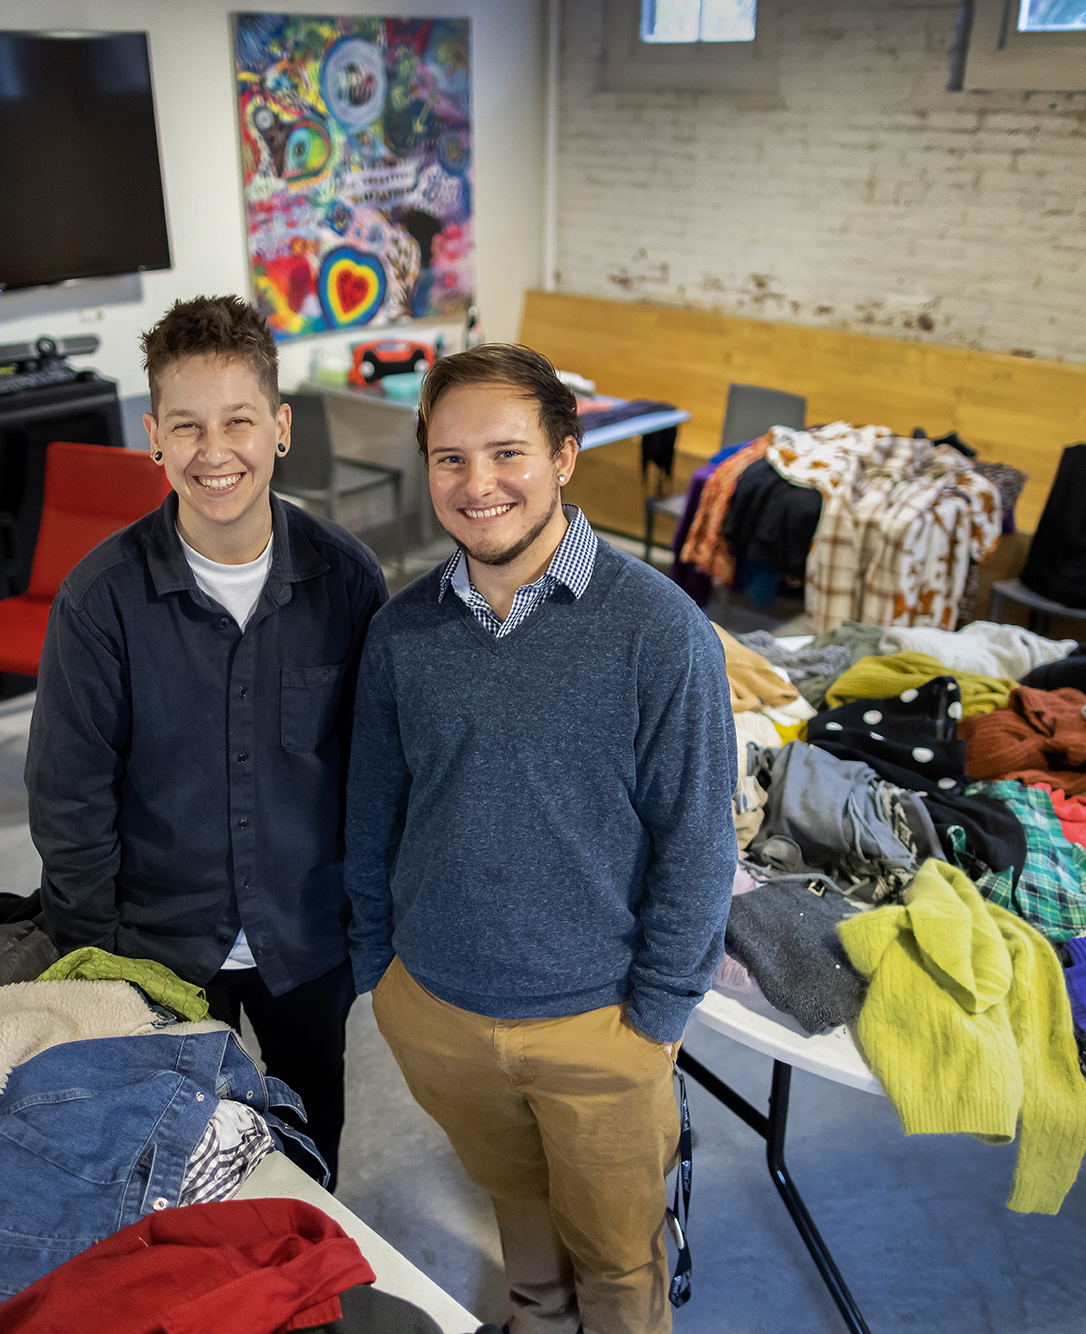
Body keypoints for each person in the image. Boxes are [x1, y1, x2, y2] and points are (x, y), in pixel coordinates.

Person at [345, 343, 735, 1334]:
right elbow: (371, 810)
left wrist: (654, 1016)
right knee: (521, 1225)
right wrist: (377, 971)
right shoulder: (402, 635)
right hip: (437, 1007)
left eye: (507, 452)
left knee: (617, 1265)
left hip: (599, 1023)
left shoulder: (659, 632)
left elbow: (697, 839)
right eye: (449, 458)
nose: (478, 485)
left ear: (564, 454)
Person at [26, 295, 388, 1183]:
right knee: (175, 1155)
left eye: (239, 421)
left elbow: (378, 774)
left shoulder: (348, 582)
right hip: (158, 945)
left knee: (310, 1126)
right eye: (187, 426)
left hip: (309, 939)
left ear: (282, 427)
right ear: (153, 435)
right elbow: (69, 796)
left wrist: (366, 925)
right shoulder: (99, 599)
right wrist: (99, 957)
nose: (214, 452)